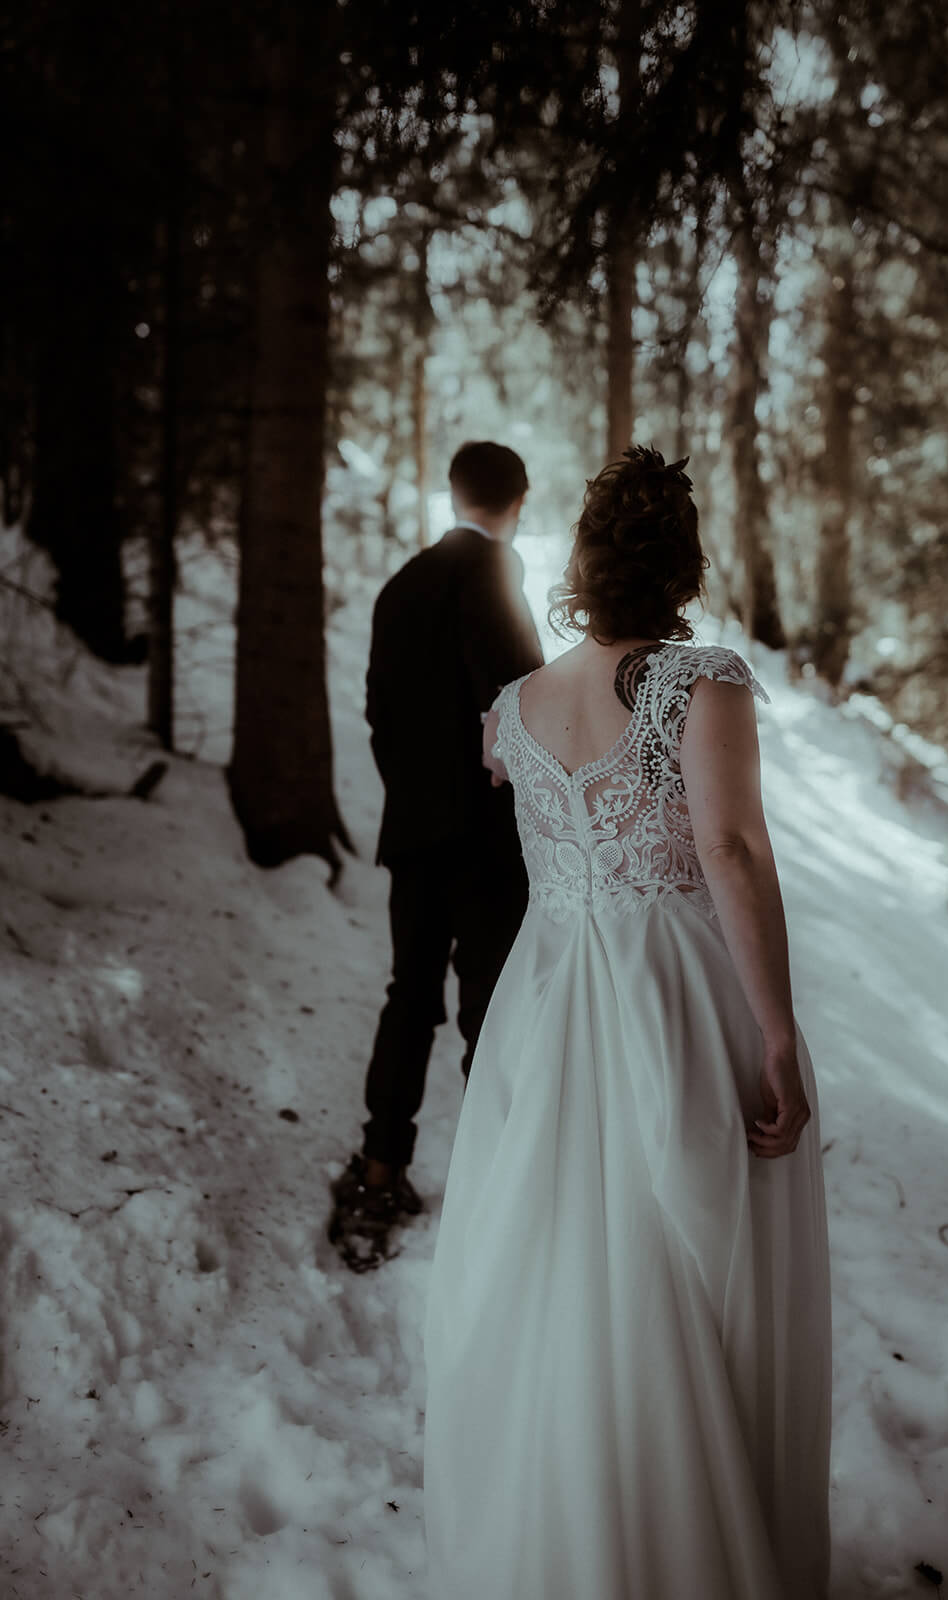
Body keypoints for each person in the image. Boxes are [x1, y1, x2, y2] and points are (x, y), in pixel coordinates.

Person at [423, 445, 832, 1598]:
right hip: (667, 995)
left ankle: (564, 1540)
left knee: (559, 1263)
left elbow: (532, 799)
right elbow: (730, 849)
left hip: (546, 1002)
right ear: (680, 566)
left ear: (583, 564)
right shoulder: (699, 683)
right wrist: (777, 1034)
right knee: (676, 1264)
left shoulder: (513, 709)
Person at [329, 441, 543, 1272]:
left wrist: (413, 795)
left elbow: (379, 712)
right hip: (488, 839)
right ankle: (499, 1192)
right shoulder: (497, 576)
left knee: (407, 997)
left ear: (452, 493)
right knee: (489, 1014)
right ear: (517, 500)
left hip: (414, 832)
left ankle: (380, 1168)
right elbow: (518, 699)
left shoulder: (400, 585)